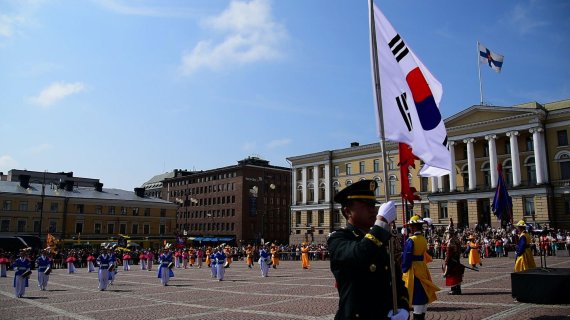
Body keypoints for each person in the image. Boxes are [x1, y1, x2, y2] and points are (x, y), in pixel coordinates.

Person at [327, 179, 409, 320]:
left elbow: (396, 281)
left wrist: (403, 307)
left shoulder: (380, 239)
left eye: (373, 205)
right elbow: (360, 254)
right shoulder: (338, 238)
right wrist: (381, 222)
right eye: (366, 205)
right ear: (348, 212)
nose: (372, 209)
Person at [402, 215, 439, 320]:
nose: (410, 228)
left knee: (416, 290)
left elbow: (407, 256)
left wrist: (403, 268)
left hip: (413, 268)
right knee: (423, 289)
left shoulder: (411, 240)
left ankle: (417, 315)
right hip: (422, 266)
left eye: (411, 226)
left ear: (413, 227)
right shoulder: (423, 239)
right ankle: (422, 313)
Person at [443, 226, 465, 295]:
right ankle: (458, 289)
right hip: (456, 260)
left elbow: (448, 253)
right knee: (457, 274)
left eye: (447, 233)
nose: (446, 235)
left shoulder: (450, 241)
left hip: (451, 261)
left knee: (452, 275)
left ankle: (454, 290)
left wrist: (446, 262)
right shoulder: (456, 239)